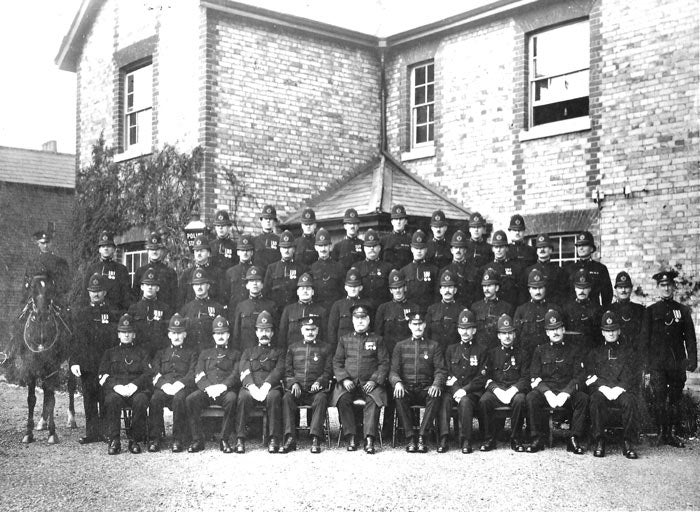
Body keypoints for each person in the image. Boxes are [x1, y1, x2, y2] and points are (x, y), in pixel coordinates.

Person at [643, 269, 697, 448]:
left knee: (674, 398)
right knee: (659, 397)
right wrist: (646, 365)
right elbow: (645, 339)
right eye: (663, 285)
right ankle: (660, 433)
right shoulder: (650, 311)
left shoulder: (682, 311)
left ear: (674, 287)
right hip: (657, 363)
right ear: (658, 288)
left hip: (676, 363)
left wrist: (692, 359)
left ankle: (671, 433)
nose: (666, 289)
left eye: (669, 285)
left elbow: (690, 337)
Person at [526, 309, 588, 454]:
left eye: (558, 328)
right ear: (547, 332)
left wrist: (566, 393)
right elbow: (534, 377)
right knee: (531, 398)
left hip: (566, 391)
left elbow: (579, 376)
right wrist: (547, 393)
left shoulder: (574, 350)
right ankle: (537, 438)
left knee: (583, 399)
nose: (555, 332)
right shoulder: (540, 350)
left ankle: (573, 438)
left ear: (563, 329)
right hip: (547, 391)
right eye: (551, 329)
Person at [332, 304, 390, 454]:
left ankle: (369, 438)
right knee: (342, 398)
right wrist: (344, 379)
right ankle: (351, 436)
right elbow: (337, 362)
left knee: (373, 400)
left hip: (369, 383)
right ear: (352, 320)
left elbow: (384, 363)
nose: (360, 321)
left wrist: (374, 380)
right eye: (357, 318)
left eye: (363, 318)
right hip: (349, 384)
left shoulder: (377, 339)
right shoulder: (344, 340)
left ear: (368, 319)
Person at [70, 273, 119, 444]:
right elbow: (76, 340)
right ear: (88, 292)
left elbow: (115, 340)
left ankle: (106, 432)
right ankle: (92, 433)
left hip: (106, 364)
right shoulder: (82, 314)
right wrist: (74, 361)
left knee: (105, 397)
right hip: (87, 364)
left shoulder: (112, 313)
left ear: (105, 292)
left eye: (99, 291)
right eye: (92, 291)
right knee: (89, 399)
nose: (95, 294)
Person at [390, 308, 446, 453]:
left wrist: (436, 384)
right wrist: (397, 382)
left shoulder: (434, 345)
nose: (418, 327)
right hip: (407, 388)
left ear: (425, 325)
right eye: (415, 324)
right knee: (398, 394)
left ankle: (422, 436)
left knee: (435, 394)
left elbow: (440, 370)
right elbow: (393, 371)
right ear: (409, 325)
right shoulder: (400, 346)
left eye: (420, 324)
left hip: (425, 388)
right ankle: (410, 438)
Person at [586, 311, 639, 459]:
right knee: (595, 400)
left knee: (630, 401)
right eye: (607, 331)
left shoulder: (628, 351)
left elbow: (633, 374)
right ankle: (599, 440)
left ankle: (628, 441)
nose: (611, 333)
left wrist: (620, 388)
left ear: (619, 331)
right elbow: (589, 375)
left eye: (614, 330)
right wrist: (602, 387)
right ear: (603, 332)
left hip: (622, 390)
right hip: (602, 390)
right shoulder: (595, 352)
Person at [185, 315, 241, 453]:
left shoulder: (236, 354)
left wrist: (223, 386)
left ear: (228, 335)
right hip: (207, 391)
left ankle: (224, 439)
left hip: (225, 390)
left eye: (223, 333)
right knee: (190, 399)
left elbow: (236, 374)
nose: (220, 336)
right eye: (217, 334)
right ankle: (197, 439)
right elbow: (198, 373)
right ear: (213, 336)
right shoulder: (205, 353)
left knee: (232, 399)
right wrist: (208, 388)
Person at [99, 314, 152, 455]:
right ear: (118, 335)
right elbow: (103, 375)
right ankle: (114, 439)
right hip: (117, 390)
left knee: (141, 401)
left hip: (137, 389)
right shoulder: (109, 353)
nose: (126, 335)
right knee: (111, 400)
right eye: (123, 332)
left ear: (134, 335)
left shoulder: (142, 353)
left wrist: (134, 385)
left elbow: (148, 374)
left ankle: (134, 440)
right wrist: (116, 387)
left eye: (129, 332)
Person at [373, 269, 417, 438]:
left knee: (408, 391)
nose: (398, 290)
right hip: (390, 356)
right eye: (394, 288)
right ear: (390, 290)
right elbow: (379, 335)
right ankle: (387, 430)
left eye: (400, 287)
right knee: (391, 395)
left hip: (409, 357)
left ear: (405, 287)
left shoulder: (414, 308)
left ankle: (411, 429)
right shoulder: (383, 309)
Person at [281, 314, 333, 454]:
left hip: (314, 391)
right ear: (301, 330)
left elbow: (328, 371)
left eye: (313, 329)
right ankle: (290, 438)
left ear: (317, 331)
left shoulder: (325, 348)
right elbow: (288, 371)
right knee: (287, 398)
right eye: (307, 329)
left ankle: (315, 437)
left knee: (321, 398)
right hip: (298, 390)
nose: (310, 332)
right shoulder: (293, 348)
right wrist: (293, 384)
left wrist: (319, 381)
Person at [437, 308, 486, 454]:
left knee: (465, 401)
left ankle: (466, 440)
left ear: (474, 331)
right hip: (453, 390)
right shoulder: (451, 350)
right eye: (462, 329)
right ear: (458, 330)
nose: (465, 332)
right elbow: (447, 373)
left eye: (468, 329)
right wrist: (456, 389)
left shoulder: (481, 350)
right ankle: (443, 439)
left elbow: (481, 377)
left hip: (471, 393)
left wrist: (464, 390)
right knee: (444, 400)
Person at [235, 311, 285, 453]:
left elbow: (278, 370)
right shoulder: (248, 351)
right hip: (251, 388)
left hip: (271, 387)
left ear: (272, 333)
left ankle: (273, 438)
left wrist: (267, 385)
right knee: (243, 397)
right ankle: (240, 438)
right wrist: (252, 387)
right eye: (261, 330)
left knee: (274, 397)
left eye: (267, 330)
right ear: (256, 332)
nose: (264, 333)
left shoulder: (279, 352)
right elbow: (244, 370)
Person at [479, 314, 529, 452]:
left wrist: (513, 390)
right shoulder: (491, 354)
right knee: (484, 401)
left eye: (510, 333)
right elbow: (485, 377)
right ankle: (489, 439)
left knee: (520, 401)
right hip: (497, 391)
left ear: (514, 335)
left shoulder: (523, 354)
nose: (507, 336)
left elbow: (525, 378)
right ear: (498, 336)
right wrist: (496, 390)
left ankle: (516, 438)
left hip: (514, 391)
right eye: (503, 333)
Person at [148, 313, 197, 453]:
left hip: (181, 387)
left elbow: (192, 373)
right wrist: (164, 385)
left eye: (180, 333)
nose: (176, 336)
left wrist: (180, 384)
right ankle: (155, 438)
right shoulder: (161, 353)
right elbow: (155, 373)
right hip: (164, 386)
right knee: (155, 399)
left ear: (185, 334)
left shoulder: (191, 353)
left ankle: (177, 439)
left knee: (180, 398)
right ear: (169, 334)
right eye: (173, 333)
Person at [514, 268, 561, 358]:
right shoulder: (521, 310)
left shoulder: (555, 309)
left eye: (540, 288)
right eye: (534, 288)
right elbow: (516, 337)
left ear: (545, 288)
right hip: (528, 356)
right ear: (529, 290)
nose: (538, 292)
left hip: (549, 356)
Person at [178, 267, 226, 354]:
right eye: (196, 284)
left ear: (208, 286)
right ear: (193, 287)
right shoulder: (186, 309)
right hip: (191, 353)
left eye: (202, 284)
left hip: (210, 354)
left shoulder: (218, 308)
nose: (199, 287)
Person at [127, 267, 173, 358]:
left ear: (158, 288)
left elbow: (168, 333)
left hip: (159, 352)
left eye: (153, 285)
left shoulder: (165, 308)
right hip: (139, 353)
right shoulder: (134, 308)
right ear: (142, 287)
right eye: (147, 284)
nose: (150, 287)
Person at [230, 265, 277, 352]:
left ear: (262, 285)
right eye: (251, 281)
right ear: (247, 286)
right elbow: (236, 334)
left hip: (267, 353)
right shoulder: (241, 306)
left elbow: (275, 333)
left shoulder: (271, 306)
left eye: (258, 280)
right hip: (246, 353)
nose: (255, 283)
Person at [277, 272, 327, 352]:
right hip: (292, 354)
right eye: (302, 288)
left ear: (313, 292)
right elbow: (282, 336)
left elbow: (324, 337)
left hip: (314, 354)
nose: (305, 291)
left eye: (308, 288)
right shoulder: (288, 310)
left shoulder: (321, 311)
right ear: (297, 292)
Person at [84, 230, 131, 312]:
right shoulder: (92, 269)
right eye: (102, 246)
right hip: (95, 312)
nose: (105, 248)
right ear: (99, 250)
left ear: (114, 249)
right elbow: (85, 294)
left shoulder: (121, 269)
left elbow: (126, 295)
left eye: (109, 246)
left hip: (115, 312)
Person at [24, 229, 70, 309]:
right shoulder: (32, 262)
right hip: (35, 301)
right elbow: (27, 283)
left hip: (55, 301)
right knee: (22, 319)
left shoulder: (60, 262)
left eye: (47, 242)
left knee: (64, 319)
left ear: (51, 243)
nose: (45, 246)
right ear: (38, 244)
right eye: (42, 243)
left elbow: (65, 284)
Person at [564, 231, 613, 307]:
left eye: (584, 245)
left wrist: (603, 311)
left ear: (591, 249)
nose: (581, 248)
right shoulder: (570, 268)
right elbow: (565, 293)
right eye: (579, 245)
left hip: (594, 312)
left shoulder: (600, 269)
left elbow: (607, 294)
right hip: (574, 312)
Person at [263, 230, 307, 313]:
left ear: (294, 249)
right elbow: (266, 291)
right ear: (280, 249)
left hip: (295, 311)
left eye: (289, 247)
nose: (286, 250)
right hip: (277, 311)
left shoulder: (301, 268)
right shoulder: (272, 268)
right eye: (284, 247)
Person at [133, 231, 178, 310]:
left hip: (164, 313)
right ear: (148, 251)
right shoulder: (140, 271)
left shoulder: (170, 272)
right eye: (152, 249)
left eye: (157, 249)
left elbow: (174, 298)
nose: (154, 251)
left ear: (161, 250)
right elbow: (134, 296)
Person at [562, 269, 602, 357]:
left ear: (590, 289)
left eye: (585, 287)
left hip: (591, 351)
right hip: (572, 352)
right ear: (575, 288)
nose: (582, 291)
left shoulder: (597, 309)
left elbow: (599, 336)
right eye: (579, 287)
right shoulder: (567, 308)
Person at [479, 230, 524, 307]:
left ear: (507, 248)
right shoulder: (485, 269)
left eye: (501, 247)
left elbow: (521, 293)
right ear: (492, 249)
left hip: (511, 308)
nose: (498, 250)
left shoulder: (516, 269)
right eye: (496, 247)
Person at [178, 234, 226, 308]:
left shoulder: (217, 273)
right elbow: (180, 299)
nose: (199, 253)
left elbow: (222, 298)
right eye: (196, 251)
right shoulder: (186, 274)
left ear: (209, 253)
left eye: (202, 250)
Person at [471, 268, 514, 349]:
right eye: (484, 286)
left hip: (498, 351)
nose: (486, 289)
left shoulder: (506, 307)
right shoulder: (475, 307)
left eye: (489, 285)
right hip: (481, 350)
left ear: (497, 288)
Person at [352, 228, 392, 311]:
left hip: (382, 309)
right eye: (369, 246)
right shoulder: (357, 267)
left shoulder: (388, 267)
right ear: (364, 248)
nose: (371, 249)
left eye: (374, 246)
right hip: (363, 310)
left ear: (379, 248)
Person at [524, 234, 568, 307]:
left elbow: (563, 294)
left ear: (550, 250)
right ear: (536, 251)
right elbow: (525, 294)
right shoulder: (528, 271)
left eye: (544, 247)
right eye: (539, 247)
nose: (542, 250)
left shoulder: (559, 271)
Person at [327, 268, 365, 354]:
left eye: (355, 286)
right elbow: (332, 329)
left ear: (361, 288)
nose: (353, 289)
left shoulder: (367, 304)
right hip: (343, 347)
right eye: (350, 286)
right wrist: (334, 349)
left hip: (361, 346)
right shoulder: (338, 305)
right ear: (345, 288)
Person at [399, 230, 438, 310]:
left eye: (422, 248)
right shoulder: (404, 271)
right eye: (416, 248)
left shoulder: (434, 270)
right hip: (410, 311)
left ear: (426, 249)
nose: (419, 251)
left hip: (428, 310)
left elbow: (437, 294)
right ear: (412, 249)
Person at [440, 229, 480, 307]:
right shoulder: (443, 271)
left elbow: (477, 296)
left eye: (461, 248)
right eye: (455, 247)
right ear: (451, 250)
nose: (458, 250)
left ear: (465, 250)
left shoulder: (474, 271)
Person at [425, 270, 463, 350]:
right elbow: (427, 334)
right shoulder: (432, 309)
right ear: (440, 290)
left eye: (450, 287)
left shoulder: (461, 310)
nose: (447, 291)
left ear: (455, 290)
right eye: (444, 287)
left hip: (455, 352)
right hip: (436, 352)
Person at [309, 228, 345, 312]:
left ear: (330, 246)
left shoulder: (339, 267)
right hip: (317, 310)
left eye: (325, 245)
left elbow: (344, 292)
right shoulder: (311, 268)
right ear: (316, 247)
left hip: (335, 310)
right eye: (320, 246)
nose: (323, 249)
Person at [608, 271, 645, 344]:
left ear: (631, 289)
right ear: (615, 290)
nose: (623, 290)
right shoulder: (610, 309)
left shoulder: (640, 310)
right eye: (620, 287)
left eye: (626, 287)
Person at [225, 233, 255, 314]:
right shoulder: (230, 272)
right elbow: (226, 295)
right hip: (234, 311)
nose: (245, 253)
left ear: (251, 252)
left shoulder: (257, 271)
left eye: (247, 250)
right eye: (242, 250)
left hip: (251, 310)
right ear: (238, 252)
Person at [331, 208, 364, 272]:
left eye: (354, 223)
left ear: (358, 226)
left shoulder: (363, 245)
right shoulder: (338, 247)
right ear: (345, 226)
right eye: (349, 223)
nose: (352, 226)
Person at [381, 204, 412, 271]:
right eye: (396, 219)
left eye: (401, 219)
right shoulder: (384, 241)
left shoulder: (410, 240)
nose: (398, 222)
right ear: (392, 222)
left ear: (405, 221)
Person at [253, 204, 281, 270]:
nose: (268, 221)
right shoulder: (254, 240)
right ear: (261, 221)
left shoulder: (279, 240)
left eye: (270, 219)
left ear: (274, 222)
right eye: (265, 218)